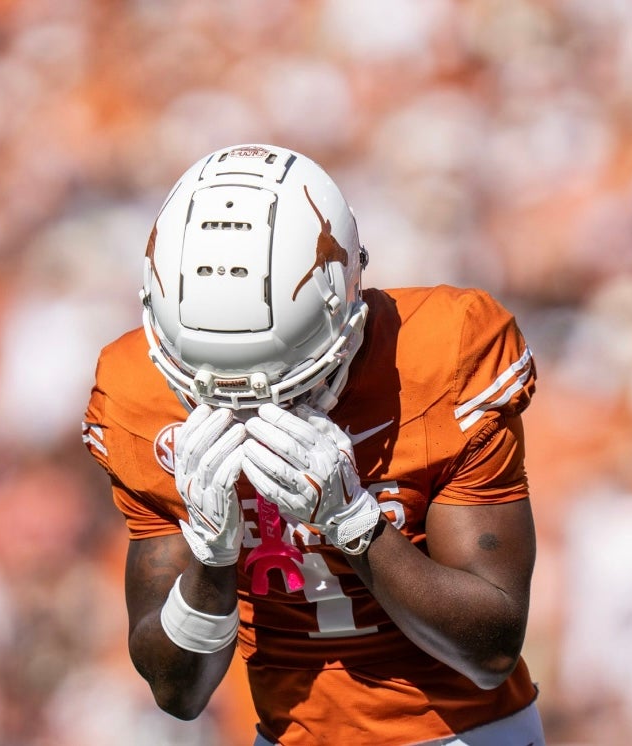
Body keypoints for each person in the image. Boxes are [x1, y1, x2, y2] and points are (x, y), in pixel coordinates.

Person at [82, 143, 543, 746]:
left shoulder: (446, 354)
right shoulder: (136, 394)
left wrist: (356, 525)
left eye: (297, 385)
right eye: (216, 395)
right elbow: (178, 692)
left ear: (349, 310)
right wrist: (211, 560)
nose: (256, 411)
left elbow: (491, 649)